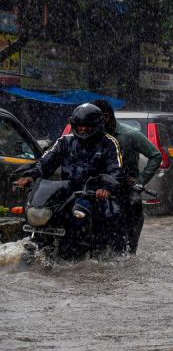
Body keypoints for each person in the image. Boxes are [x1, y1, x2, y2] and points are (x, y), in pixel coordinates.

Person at [15, 103, 126, 242]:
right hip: (65, 193)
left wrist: (106, 187)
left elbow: (116, 169)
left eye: (88, 125)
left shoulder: (109, 143)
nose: (83, 129)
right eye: (80, 125)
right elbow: (45, 162)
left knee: (105, 215)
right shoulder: (64, 142)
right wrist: (30, 175)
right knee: (38, 211)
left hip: (92, 194)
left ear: (97, 125)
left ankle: (99, 247)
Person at [92, 99, 162, 254]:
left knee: (128, 244)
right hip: (100, 190)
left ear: (107, 117)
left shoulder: (129, 135)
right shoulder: (92, 136)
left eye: (97, 119)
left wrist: (141, 180)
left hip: (126, 190)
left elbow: (156, 155)